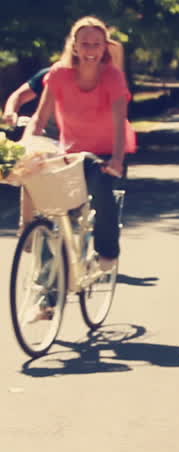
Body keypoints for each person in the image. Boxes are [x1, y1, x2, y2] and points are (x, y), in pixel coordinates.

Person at [23, 17, 136, 268]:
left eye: (97, 44)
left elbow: (120, 122)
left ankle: (107, 253)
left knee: (102, 192)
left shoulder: (112, 77)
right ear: (74, 45)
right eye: (85, 44)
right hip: (70, 153)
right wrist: (27, 146)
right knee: (53, 210)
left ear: (104, 47)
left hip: (106, 153)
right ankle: (47, 283)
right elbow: (40, 118)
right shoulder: (58, 74)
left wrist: (117, 160)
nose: (90, 50)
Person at [3, 37, 126, 128]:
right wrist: (10, 112)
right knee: (23, 123)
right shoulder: (52, 74)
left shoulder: (106, 82)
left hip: (85, 140)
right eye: (84, 46)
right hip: (49, 134)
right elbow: (18, 95)